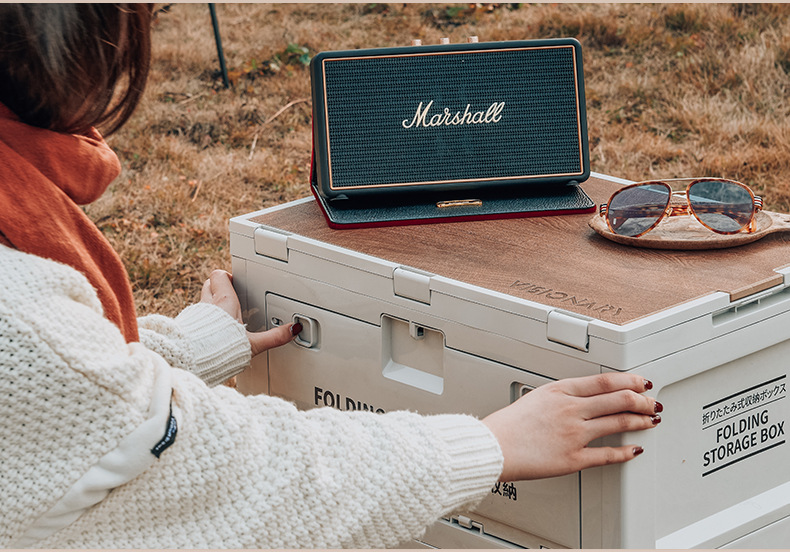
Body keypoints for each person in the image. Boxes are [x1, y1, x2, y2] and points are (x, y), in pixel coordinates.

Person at [0, 4, 662, 549]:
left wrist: (188, 346)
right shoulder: (21, 314)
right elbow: (226, 476)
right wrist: (490, 443)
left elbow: (63, 407)